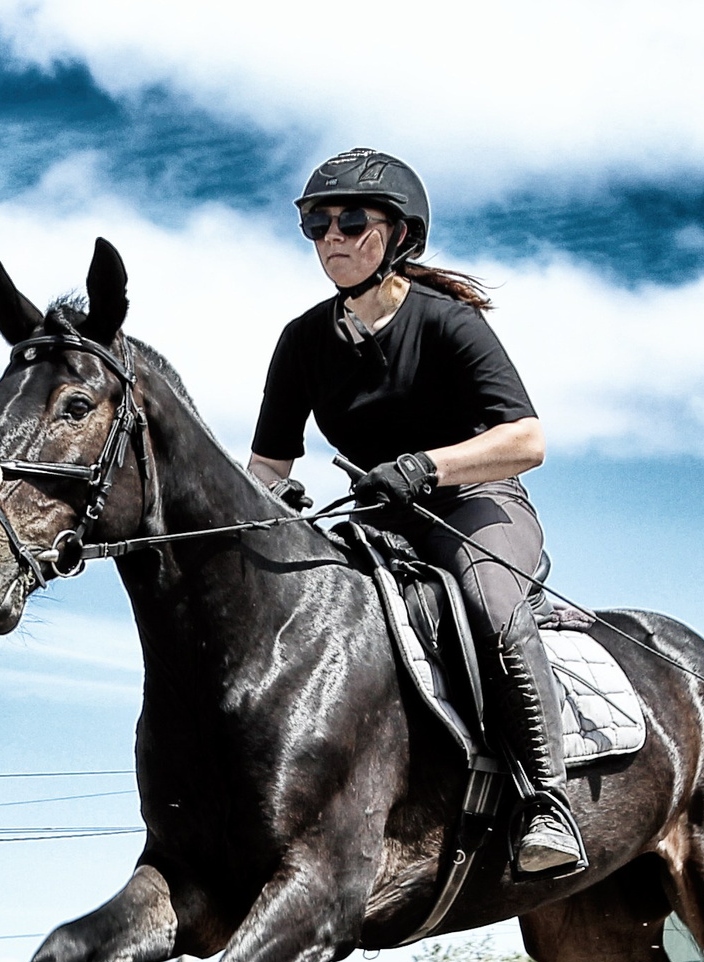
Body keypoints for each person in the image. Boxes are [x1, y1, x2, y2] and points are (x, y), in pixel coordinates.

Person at [248, 147, 585, 877]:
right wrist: (273, 503)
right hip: (379, 524)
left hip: (476, 504)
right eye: (315, 223)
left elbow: (528, 440)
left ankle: (547, 802)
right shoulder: (301, 342)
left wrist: (427, 465)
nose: (330, 235)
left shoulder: (447, 323)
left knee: (488, 602)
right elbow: (269, 466)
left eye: (348, 219)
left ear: (397, 234)